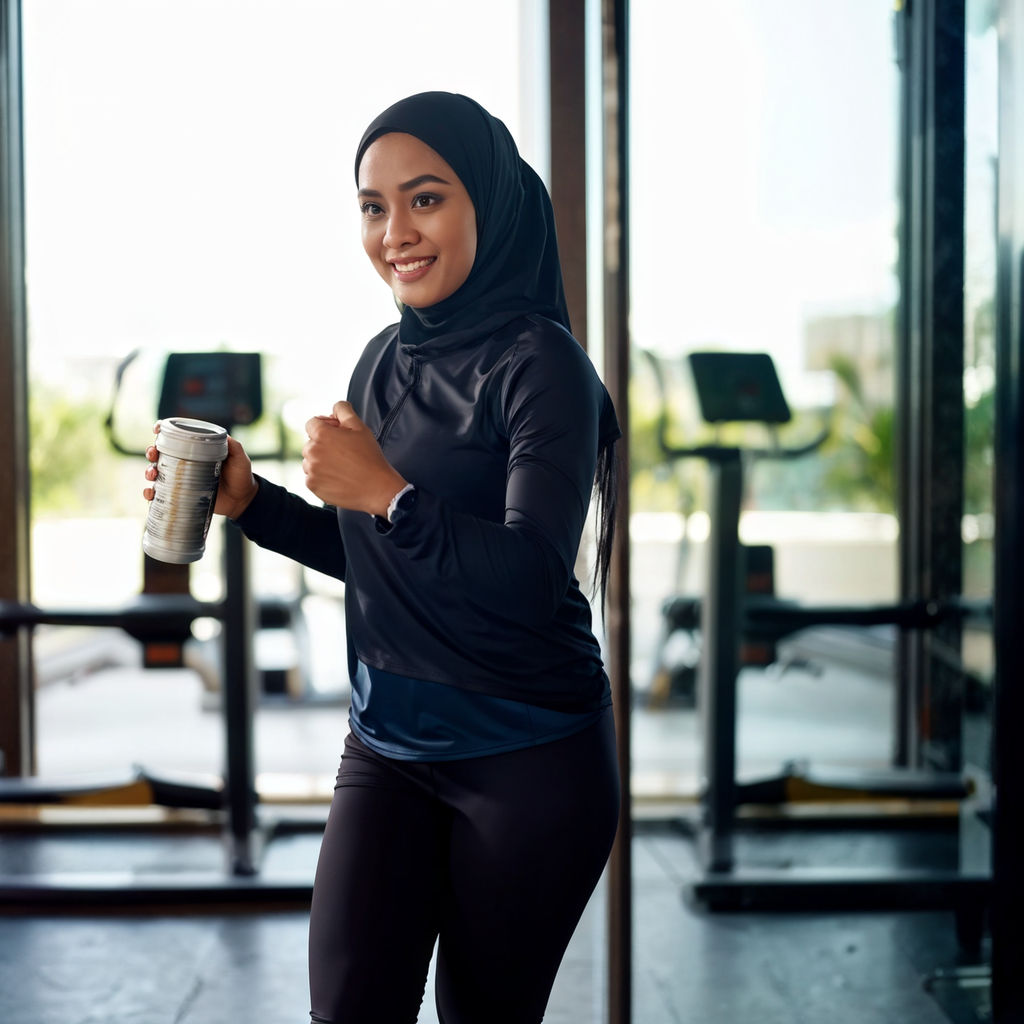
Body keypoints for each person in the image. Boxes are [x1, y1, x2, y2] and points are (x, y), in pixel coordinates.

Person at [144, 90, 621, 1024]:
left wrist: (388, 494)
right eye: (373, 206)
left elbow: (531, 577)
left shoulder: (544, 367)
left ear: (488, 201)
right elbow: (380, 558)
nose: (395, 231)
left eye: (426, 198)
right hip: (389, 744)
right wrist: (255, 505)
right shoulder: (382, 360)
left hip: (530, 762)